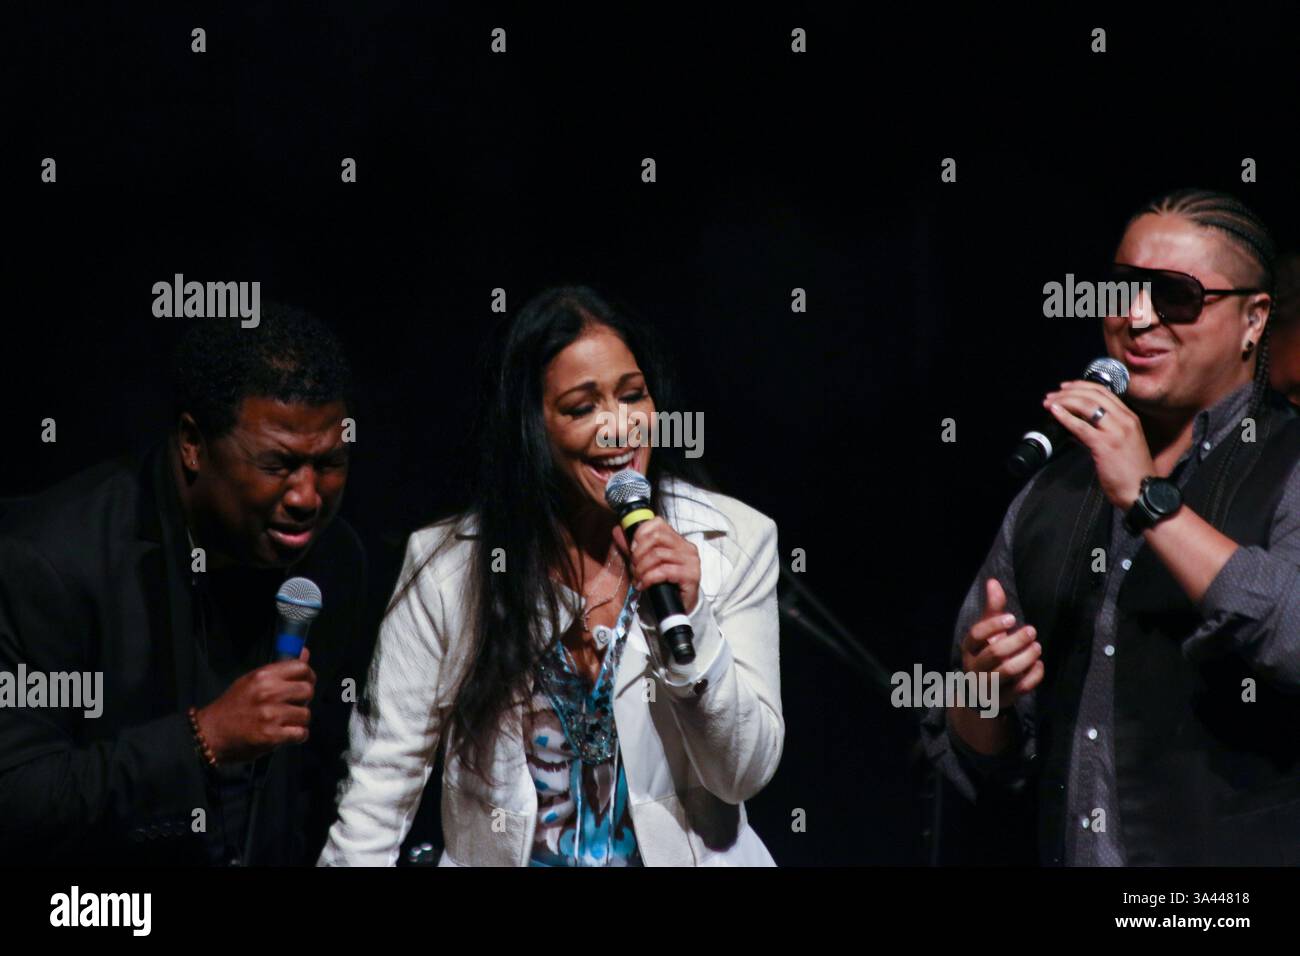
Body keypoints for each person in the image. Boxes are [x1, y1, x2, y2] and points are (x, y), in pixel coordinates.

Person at [319, 285, 783, 866]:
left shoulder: (732, 542)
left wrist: (695, 630)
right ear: (530, 427)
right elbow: (379, 792)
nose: (618, 428)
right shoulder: (451, 568)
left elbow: (743, 774)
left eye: (633, 396)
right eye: (582, 408)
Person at [923, 188, 1300, 866]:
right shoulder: (1053, 491)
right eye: (1119, 290)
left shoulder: (1289, 460)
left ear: (1253, 319)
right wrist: (985, 701)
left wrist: (1149, 501)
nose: (1135, 318)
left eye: (1175, 296)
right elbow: (969, 759)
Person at [0, 304, 368, 864]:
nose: (306, 497)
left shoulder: (334, 558)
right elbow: (18, 800)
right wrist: (203, 739)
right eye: (277, 464)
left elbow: (320, 781)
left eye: (330, 462)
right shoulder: (51, 563)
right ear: (193, 443)